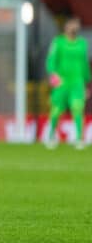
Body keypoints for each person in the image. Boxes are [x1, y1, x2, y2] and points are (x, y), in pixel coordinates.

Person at [45, 16, 91, 150]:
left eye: (77, 24)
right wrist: (53, 74)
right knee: (56, 110)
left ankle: (79, 139)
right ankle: (51, 136)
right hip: (62, 82)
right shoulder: (58, 42)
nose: (75, 26)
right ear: (66, 26)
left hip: (77, 81)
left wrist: (87, 82)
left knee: (78, 108)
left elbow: (84, 63)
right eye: (72, 24)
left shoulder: (82, 43)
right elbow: (51, 60)